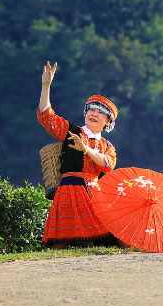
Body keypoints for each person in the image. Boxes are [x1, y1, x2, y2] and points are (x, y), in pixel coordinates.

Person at [37, 61, 118, 249]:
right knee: (61, 243)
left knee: (95, 241)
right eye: (91, 110)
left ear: (107, 122)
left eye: (100, 113)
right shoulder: (71, 131)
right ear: (85, 113)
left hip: (95, 193)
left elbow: (107, 165)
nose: (94, 114)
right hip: (69, 189)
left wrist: (86, 150)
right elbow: (46, 117)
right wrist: (46, 86)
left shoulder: (107, 145)